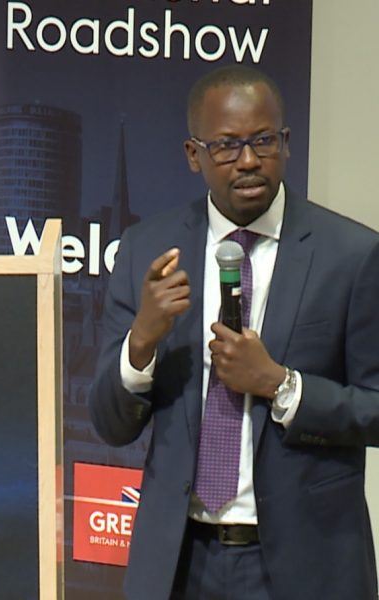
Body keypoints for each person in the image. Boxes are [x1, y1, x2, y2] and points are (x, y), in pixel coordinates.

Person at [88, 64, 379, 600]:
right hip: (180, 563)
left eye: (263, 141)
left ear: (286, 143)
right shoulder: (146, 250)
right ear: (193, 154)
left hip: (306, 566)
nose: (248, 161)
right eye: (226, 146)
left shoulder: (352, 256)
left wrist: (281, 385)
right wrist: (142, 342)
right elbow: (110, 424)